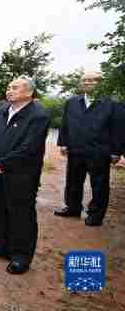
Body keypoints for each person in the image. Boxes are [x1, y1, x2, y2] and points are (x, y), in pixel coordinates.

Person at [0, 76, 50, 275]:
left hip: (22, 175)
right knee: (1, 210)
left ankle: (21, 256)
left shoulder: (38, 115)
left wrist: (0, 163)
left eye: (15, 87)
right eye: (8, 87)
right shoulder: (2, 109)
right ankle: (2, 247)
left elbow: (29, 149)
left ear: (29, 92)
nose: (9, 90)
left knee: (22, 215)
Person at [54, 72, 123, 226]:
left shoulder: (113, 103)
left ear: (101, 83)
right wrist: (63, 143)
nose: (87, 82)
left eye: (92, 80)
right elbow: (65, 124)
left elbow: (119, 129)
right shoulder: (72, 102)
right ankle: (72, 208)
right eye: (84, 80)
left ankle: (96, 215)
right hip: (75, 149)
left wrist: (116, 151)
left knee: (99, 184)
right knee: (73, 180)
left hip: (99, 151)